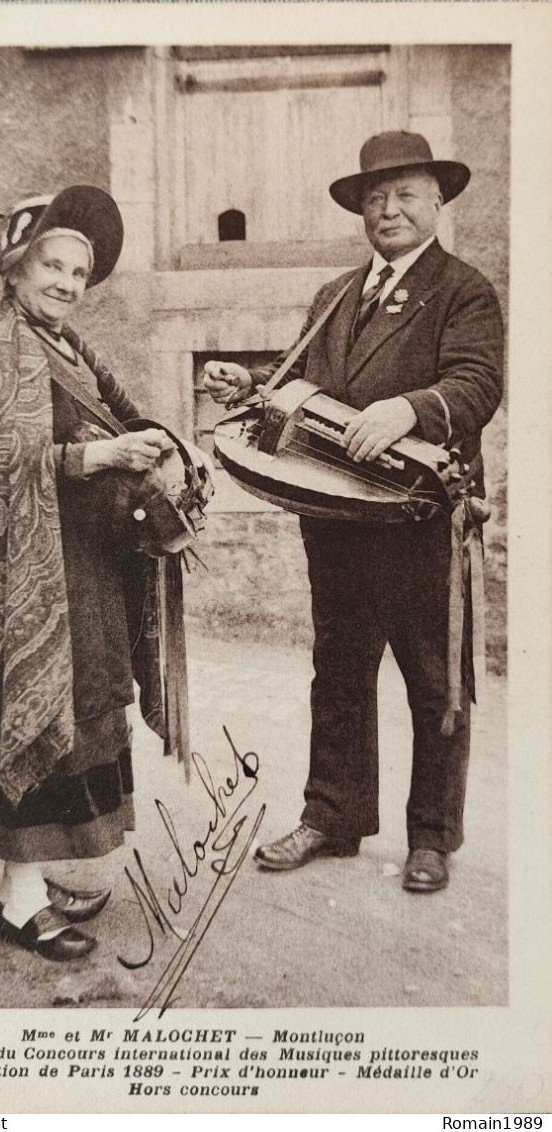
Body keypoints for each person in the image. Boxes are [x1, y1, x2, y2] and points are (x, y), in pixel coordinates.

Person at [0, 185, 204, 959]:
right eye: (51, 266)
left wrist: (166, 448)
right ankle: (18, 900)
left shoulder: (70, 348)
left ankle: (32, 876)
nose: (66, 282)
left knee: (79, 717)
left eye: (78, 272)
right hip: (12, 587)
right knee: (18, 717)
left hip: (78, 570)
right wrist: (95, 456)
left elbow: (129, 416)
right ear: (16, 271)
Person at [204, 131, 504, 893]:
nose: (390, 209)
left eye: (405, 194)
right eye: (376, 198)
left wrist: (407, 410)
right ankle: (333, 816)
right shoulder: (334, 293)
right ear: (361, 212)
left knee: (434, 684)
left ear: (437, 201)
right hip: (335, 516)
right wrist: (253, 383)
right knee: (337, 670)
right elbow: (303, 379)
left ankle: (431, 838)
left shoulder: (461, 288)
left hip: (420, 520)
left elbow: (477, 384)